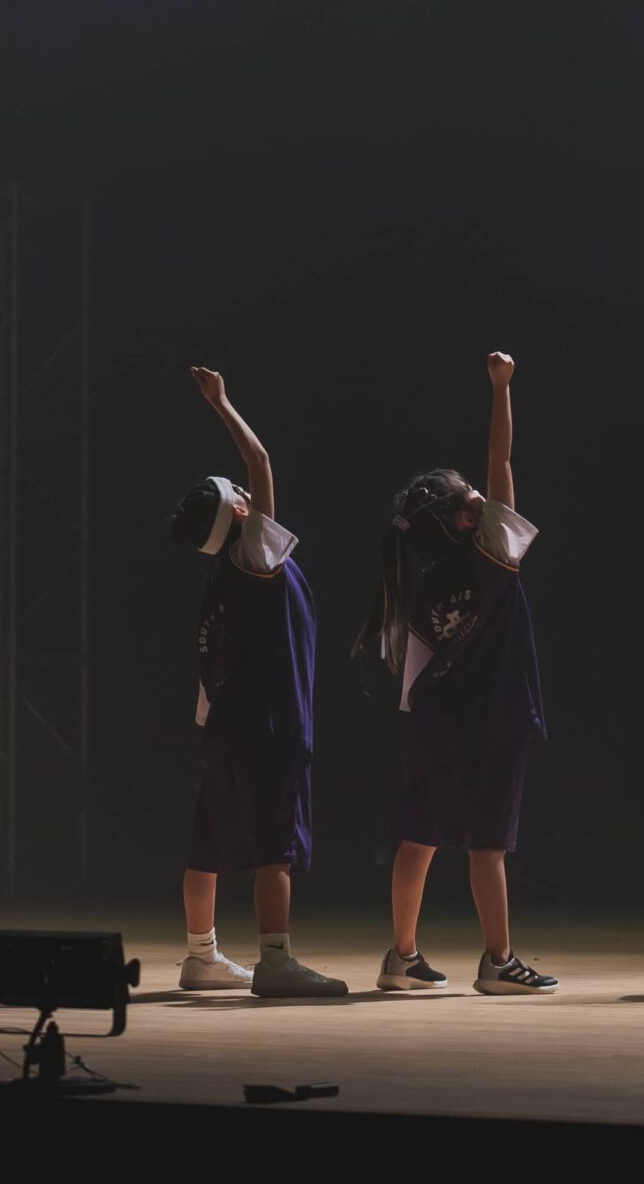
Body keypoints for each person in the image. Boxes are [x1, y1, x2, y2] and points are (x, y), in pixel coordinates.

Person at [365, 352, 556, 995]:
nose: (484, 490)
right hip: (493, 723)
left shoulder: (424, 586)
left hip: (434, 728)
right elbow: (503, 462)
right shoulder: (493, 557)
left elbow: (412, 677)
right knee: (488, 846)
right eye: (472, 493)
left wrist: (417, 736)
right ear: (467, 519)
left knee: (417, 839)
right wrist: (501, 390)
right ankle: (498, 962)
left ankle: (401, 957)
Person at [168, 366, 342, 997]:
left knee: (207, 844)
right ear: (241, 511)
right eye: (243, 494)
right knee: (276, 848)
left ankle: (200, 956)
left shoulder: (222, 577)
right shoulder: (257, 557)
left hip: (223, 729)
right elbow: (262, 461)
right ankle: (275, 960)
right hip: (269, 726)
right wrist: (222, 403)